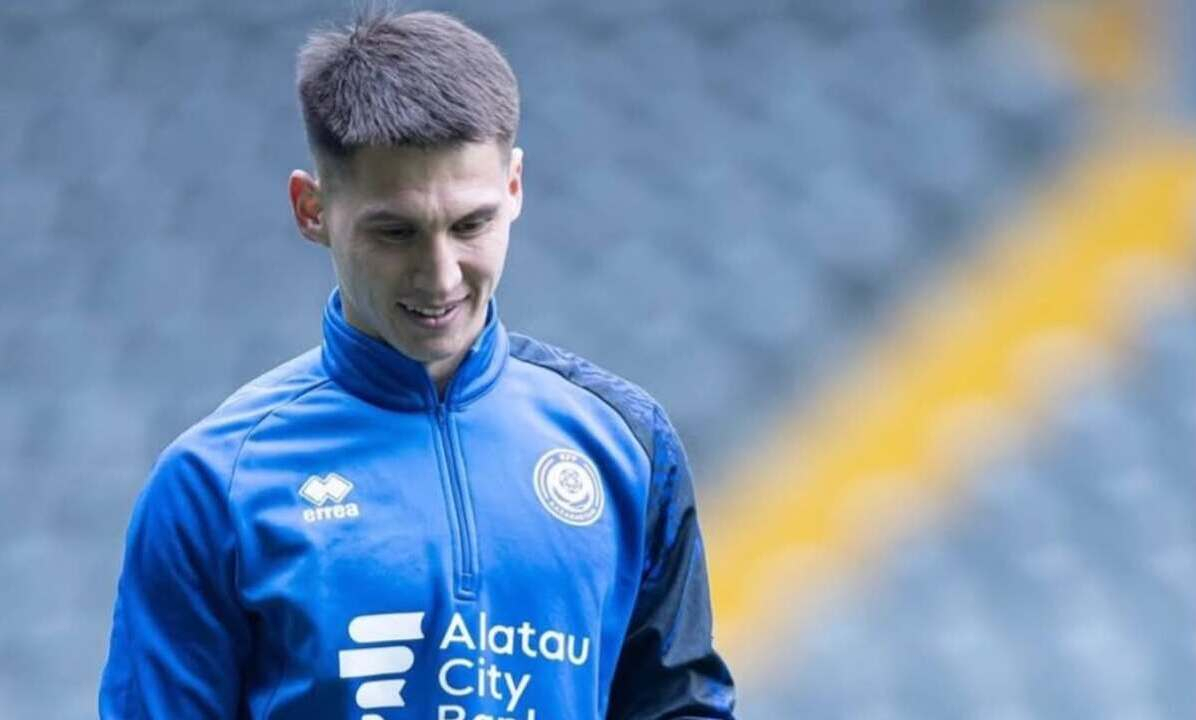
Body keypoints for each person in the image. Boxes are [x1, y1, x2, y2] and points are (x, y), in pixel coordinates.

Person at [99, 8, 735, 719]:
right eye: (395, 232)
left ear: (514, 187)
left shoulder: (625, 444)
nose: (440, 276)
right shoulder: (214, 484)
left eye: (471, 224)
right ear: (312, 209)